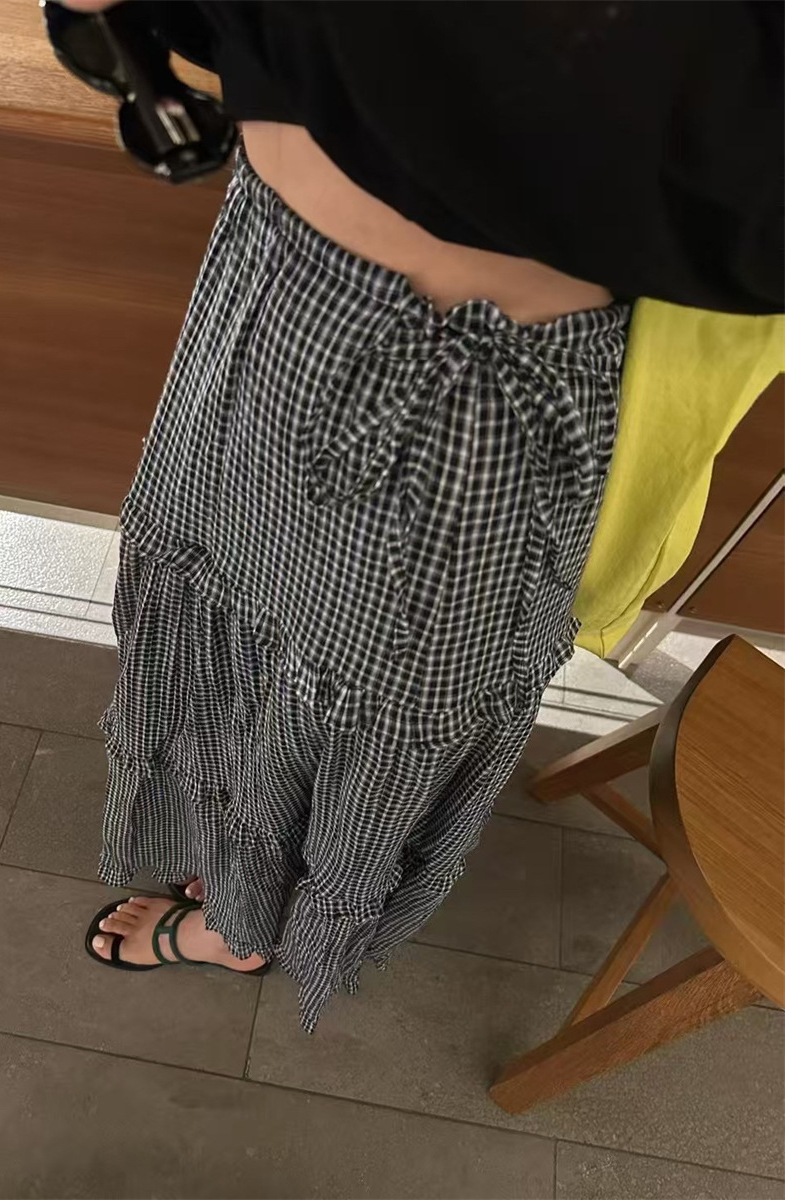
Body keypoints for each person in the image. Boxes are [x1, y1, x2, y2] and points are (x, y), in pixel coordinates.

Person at [71, 1, 783, 1031]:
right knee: (228, 617)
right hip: (265, 282)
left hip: (475, 393)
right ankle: (234, 873)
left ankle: (247, 926)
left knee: (373, 704)